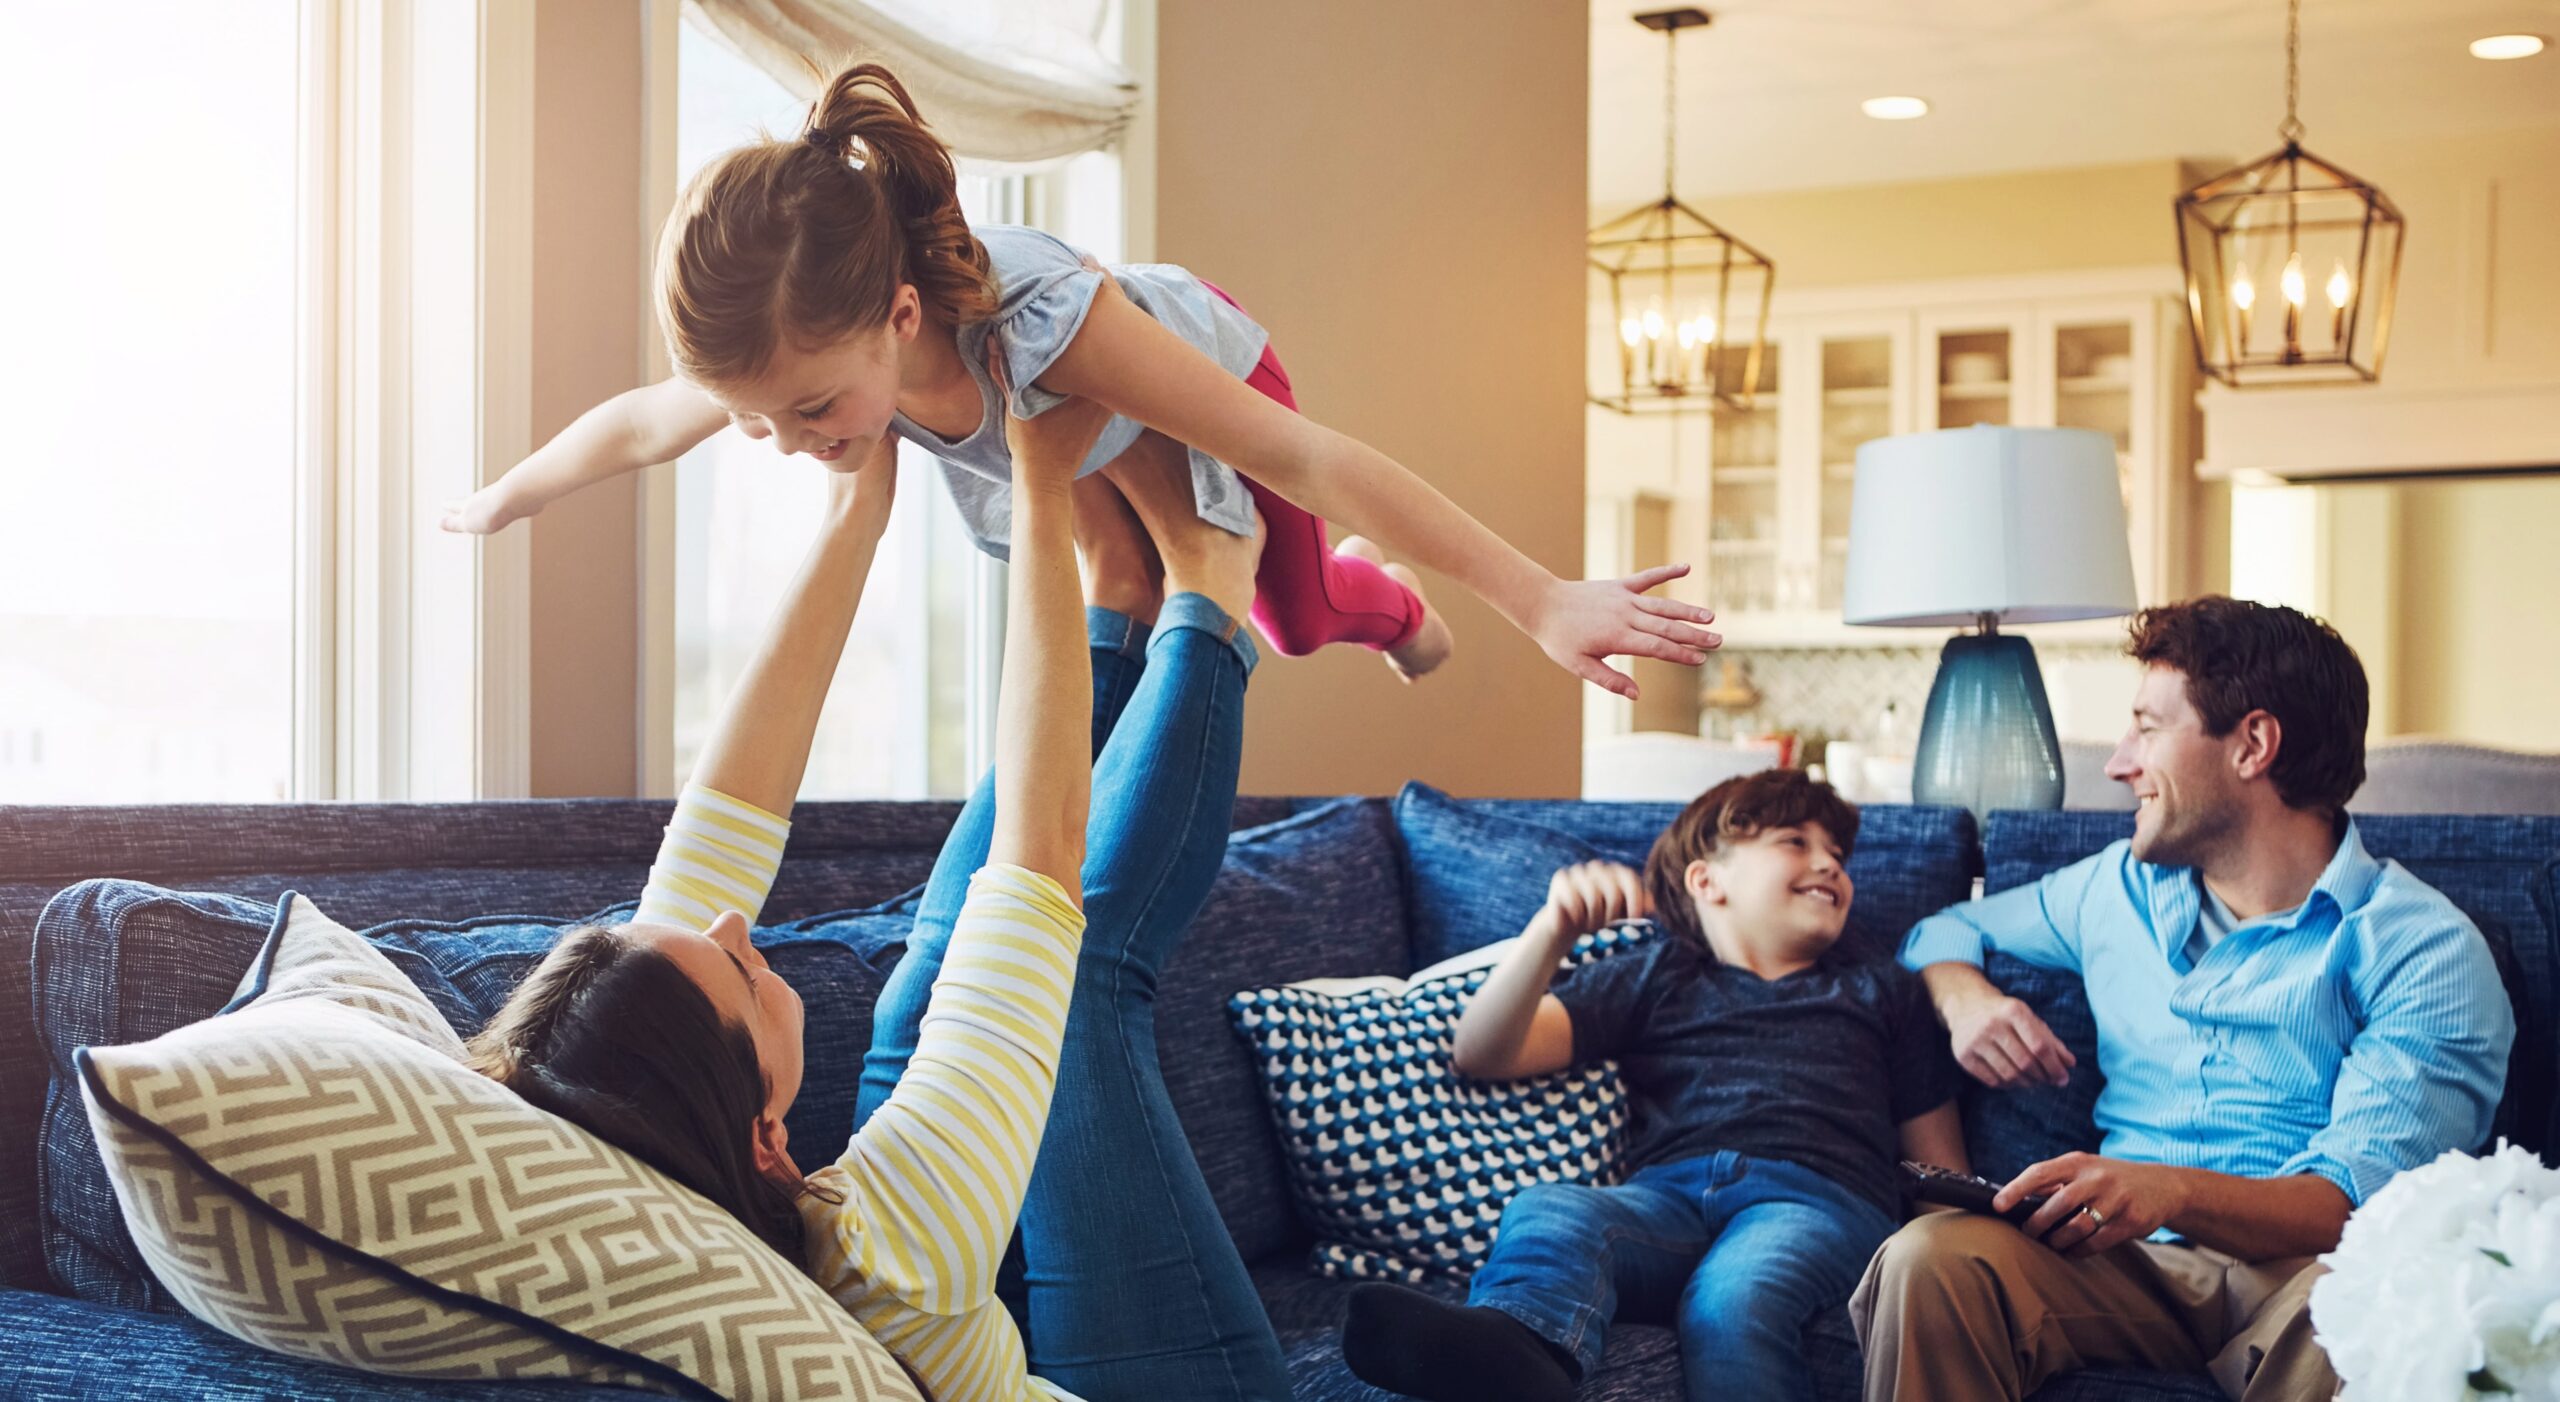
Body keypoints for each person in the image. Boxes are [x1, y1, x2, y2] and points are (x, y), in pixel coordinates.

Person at [467, 383, 1294, 1399]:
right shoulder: (888, 1245)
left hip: (1000, 1332)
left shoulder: (629, 1139)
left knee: (917, 993)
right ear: (768, 1137)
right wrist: (1036, 481)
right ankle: (1210, 585)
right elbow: (1038, 867)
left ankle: (1118, 599)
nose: (730, 923)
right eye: (735, 963)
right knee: (1077, 982)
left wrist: (854, 505)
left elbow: (727, 807)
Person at [440, 62, 1720, 700]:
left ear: (897, 320)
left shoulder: (1042, 324)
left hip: (1204, 356)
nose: (781, 443)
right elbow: (639, 427)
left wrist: (1540, 596)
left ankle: (1380, 608)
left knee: (1289, 614)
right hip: (1061, 446)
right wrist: (510, 492)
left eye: (811, 411)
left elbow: (1310, 456)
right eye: (756, 419)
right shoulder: (816, 360)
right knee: (1125, 576)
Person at [1853, 596, 2516, 1402]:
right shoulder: (2118, 889)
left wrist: (2163, 1186)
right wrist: (1964, 1001)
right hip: (2126, 1268)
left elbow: (2354, 1206)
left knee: (2375, 1314)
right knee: (1931, 1259)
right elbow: (1943, 930)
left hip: (2307, 1276)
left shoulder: (2425, 950)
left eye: (2148, 727)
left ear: (2253, 745)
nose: (2119, 762)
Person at [1341, 770, 1967, 1402]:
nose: (1829, 864)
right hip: (1669, 1198)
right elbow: (1482, 1051)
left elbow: (1938, 1171)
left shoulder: (1882, 989)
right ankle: (1524, 1351)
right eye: (1795, 842)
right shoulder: (1657, 975)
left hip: (1819, 1203)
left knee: (1732, 1299)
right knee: (1552, 1208)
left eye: (1837, 854)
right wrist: (1552, 930)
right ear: (1706, 880)